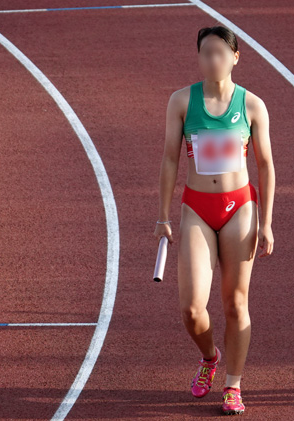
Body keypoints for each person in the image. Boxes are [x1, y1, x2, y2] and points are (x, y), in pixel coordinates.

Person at [154, 26, 275, 415]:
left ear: (236, 57)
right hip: (197, 209)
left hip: (240, 208)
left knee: (236, 303)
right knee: (191, 308)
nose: (213, 60)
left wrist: (267, 221)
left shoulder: (252, 105)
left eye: (221, 53)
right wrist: (163, 215)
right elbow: (171, 158)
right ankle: (210, 357)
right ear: (199, 58)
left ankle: (233, 385)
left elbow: (266, 165)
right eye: (206, 53)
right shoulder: (181, 102)